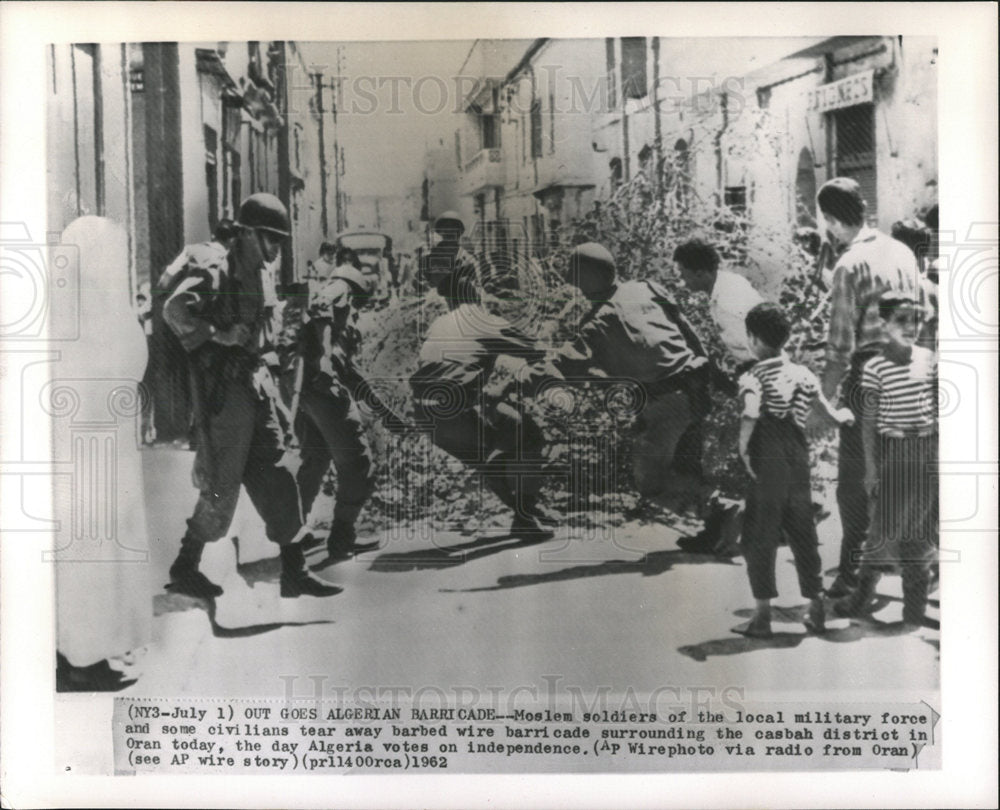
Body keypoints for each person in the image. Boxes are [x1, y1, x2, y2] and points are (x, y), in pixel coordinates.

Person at [162, 193, 341, 599]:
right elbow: (175, 310)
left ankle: (294, 572)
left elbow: (263, 329)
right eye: (269, 239)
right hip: (225, 399)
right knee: (221, 487)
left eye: (279, 240)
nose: (275, 249)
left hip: (255, 389)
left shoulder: (259, 272)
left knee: (279, 473)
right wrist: (218, 334)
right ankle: (184, 566)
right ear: (246, 233)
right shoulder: (215, 267)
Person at [812, 178, 924, 598]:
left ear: (832, 220)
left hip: (869, 378)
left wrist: (822, 401)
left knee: (855, 485)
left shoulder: (849, 264)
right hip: (910, 371)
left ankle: (852, 575)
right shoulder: (901, 251)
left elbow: (839, 347)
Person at [411, 212, 554, 539]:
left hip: (425, 412)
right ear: (477, 289)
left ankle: (525, 517)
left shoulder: (439, 323)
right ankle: (526, 515)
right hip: (455, 409)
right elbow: (537, 351)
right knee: (527, 435)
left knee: (487, 455)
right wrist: (509, 382)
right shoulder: (481, 319)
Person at [54, 216, 152, 690]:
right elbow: (128, 364)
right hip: (94, 452)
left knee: (84, 557)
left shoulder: (65, 309)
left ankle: (77, 651)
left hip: (82, 450)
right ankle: (84, 659)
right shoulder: (97, 312)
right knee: (93, 558)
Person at [550, 243, 712, 514]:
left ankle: (726, 509)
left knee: (651, 484)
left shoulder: (597, 322)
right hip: (695, 387)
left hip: (666, 402)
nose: (574, 286)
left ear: (587, 279)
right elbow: (689, 331)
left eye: (576, 279)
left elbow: (563, 367)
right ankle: (717, 527)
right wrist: (707, 376)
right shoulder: (647, 288)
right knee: (686, 469)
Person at [733, 303, 854, 639]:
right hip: (797, 462)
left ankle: (761, 617)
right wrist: (844, 417)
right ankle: (816, 611)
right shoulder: (804, 375)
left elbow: (751, 411)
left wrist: (743, 446)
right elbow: (829, 414)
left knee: (760, 537)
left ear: (753, 339)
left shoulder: (752, 376)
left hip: (766, 463)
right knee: (803, 535)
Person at [833, 293, 938, 629]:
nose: (911, 327)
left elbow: (936, 408)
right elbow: (869, 422)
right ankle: (861, 598)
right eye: (902, 319)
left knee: (920, 533)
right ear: (884, 323)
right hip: (893, 453)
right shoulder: (875, 366)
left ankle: (914, 610)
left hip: (926, 452)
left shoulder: (928, 359)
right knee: (881, 529)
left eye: (917, 319)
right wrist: (871, 467)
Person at [290, 261, 406, 562]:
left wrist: (386, 413)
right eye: (356, 305)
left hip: (308, 393)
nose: (355, 312)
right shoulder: (339, 289)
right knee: (358, 465)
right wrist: (327, 357)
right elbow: (323, 306)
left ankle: (292, 535)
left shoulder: (338, 331)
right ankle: (342, 540)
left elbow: (351, 374)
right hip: (324, 393)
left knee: (315, 461)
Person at [673, 237, 763, 367]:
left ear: (699, 273)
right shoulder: (730, 280)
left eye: (683, 274)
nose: (681, 281)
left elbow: (758, 352)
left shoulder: (725, 305)